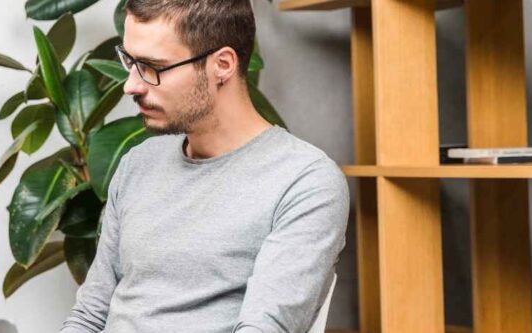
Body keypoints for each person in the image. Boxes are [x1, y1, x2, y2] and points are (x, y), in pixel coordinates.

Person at [60, 1, 349, 332]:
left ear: (222, 65)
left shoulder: (303, 182)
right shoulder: (137, 164)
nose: (131, 86)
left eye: (152, 67)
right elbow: (89, 316)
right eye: (131, 62)